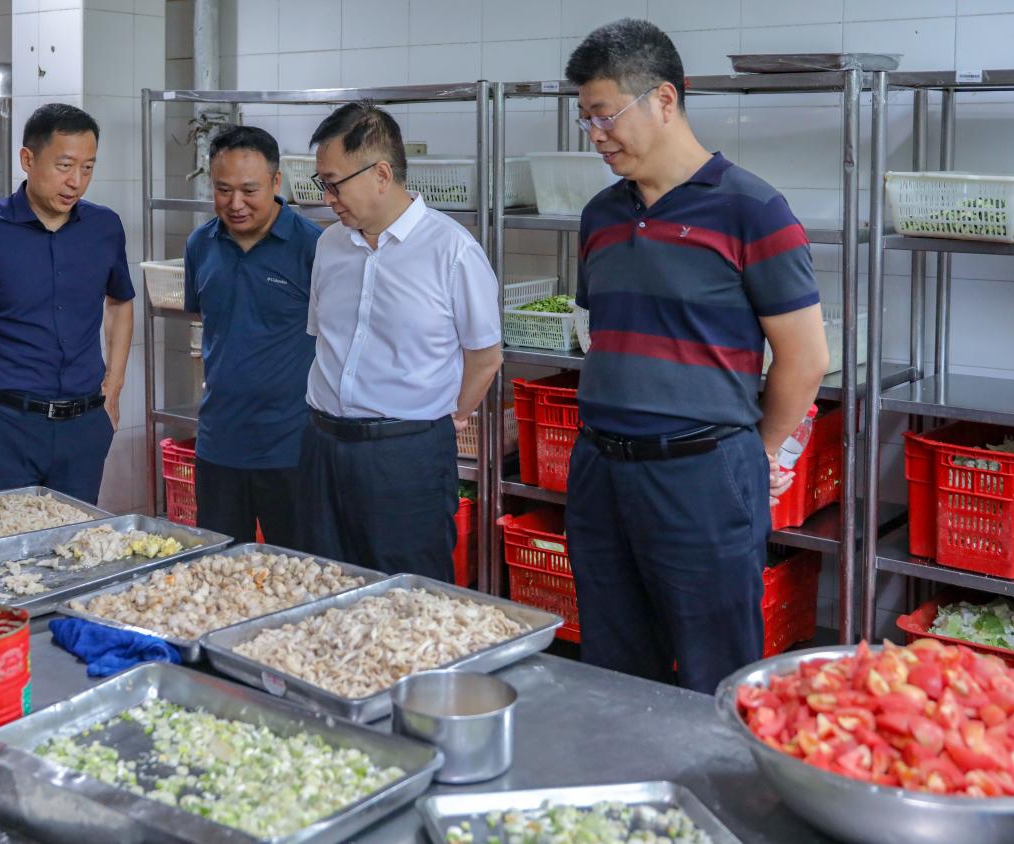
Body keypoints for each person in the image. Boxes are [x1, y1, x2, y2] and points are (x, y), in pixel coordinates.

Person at [562, 19, 829, 693]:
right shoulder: (600, 215)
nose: (595, 134)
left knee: (715, 672)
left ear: (664, 99)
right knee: (613, 669)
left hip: (702, 474)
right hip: (600, 471)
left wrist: (753, 450)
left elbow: (804, 358)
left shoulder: (753, 210)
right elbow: (609, 331)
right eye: (585, 119)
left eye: (605, 115)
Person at [297, 102, 503, 581]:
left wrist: (447, 418)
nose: (327, 197)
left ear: (382, 174)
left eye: (334, 183)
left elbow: (485, 358)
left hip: (405, 455)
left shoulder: (452, 250)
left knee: (409, 594)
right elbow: (321, 338)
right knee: (321, 583)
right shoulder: (329, 245)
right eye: (321, 183)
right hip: (322, 447)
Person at [0, 103, 134, 506]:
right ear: (27, 159)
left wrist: (114, 386)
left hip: (83, 427)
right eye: (64, 166)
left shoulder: (104, 228)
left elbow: (121, 303)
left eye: (87, 168)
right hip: (4, 426)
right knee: (3, 541)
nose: (76, 182)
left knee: (76, 539)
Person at [183, 126, 321, 547]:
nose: (235, 203)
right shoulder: (200, 244)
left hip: (293, 448)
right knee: (218, 569)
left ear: (276, 182)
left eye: (249, 190)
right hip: (219, 444)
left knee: (298, 571)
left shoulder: (314, 247)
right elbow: (213, 321)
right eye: (223, 189)